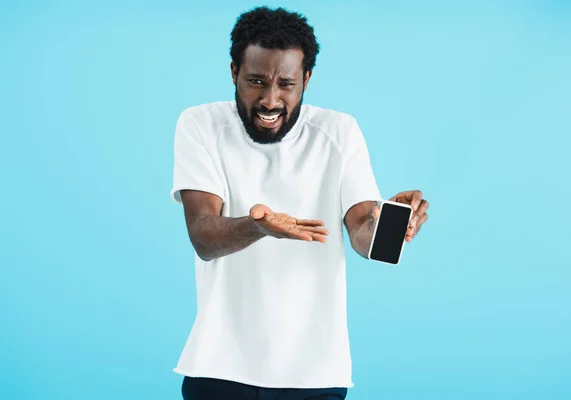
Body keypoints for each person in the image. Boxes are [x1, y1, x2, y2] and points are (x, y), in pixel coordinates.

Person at [170, 6, 429, 400]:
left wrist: (389, 223)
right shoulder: (201, 125)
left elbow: (363, 235)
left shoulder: (339, 132)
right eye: (256, 81)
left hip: (315, 372)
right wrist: (257, 227)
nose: (270, 100)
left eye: (285, 84)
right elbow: (203, 236)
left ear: (306, 79)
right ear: (233, 72)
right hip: (220, 367)